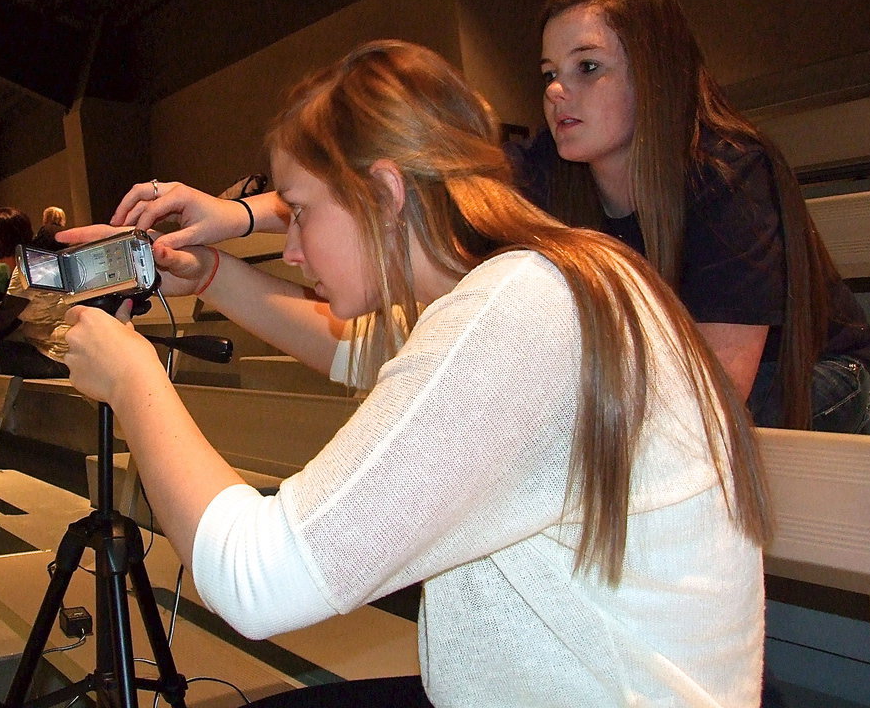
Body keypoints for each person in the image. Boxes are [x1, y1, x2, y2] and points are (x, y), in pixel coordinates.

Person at [62, 41, 770, 706]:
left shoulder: (521, 307)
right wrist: (213, 273)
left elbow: (255, 579)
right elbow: (361, 352)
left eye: (302, 213)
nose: (295, 249)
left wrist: (132, 381)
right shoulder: (549, 280)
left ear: (387, 193)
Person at [509, 0, 870, 431]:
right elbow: (459, 182)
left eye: (588, 67)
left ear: (654, 73)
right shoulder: (548, 166)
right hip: (676, 378)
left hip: (808, 372)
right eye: (549, 73)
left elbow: (718, 391)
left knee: (614, 436)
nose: (556, 90)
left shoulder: (726, 173)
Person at [0, 206, 70, 378]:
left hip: (54, 356)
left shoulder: (24, 272)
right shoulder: (37, 260)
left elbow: (0, 323)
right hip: (64, 352)